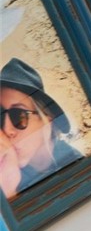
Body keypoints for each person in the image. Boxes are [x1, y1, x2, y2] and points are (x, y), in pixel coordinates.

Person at [0, 58, 83, 200]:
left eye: (18, 116)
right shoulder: (6, 170)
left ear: (47, 119)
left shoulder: (75, 164)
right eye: (0, 118)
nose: (7, 130)